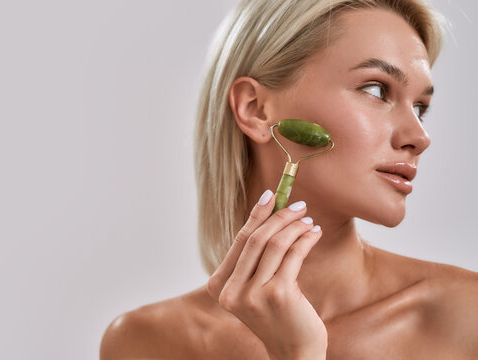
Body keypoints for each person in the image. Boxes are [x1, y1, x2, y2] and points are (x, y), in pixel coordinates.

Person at [100, 0, 478, 359]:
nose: (419, 137)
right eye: (376, 90)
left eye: (420, 107)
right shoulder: (145, 342)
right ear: (256, 109)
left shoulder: (466, 317)